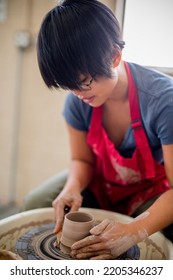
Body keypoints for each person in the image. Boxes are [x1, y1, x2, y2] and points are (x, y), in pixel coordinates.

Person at [23, 0, 173, 259]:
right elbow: (81, 159)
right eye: (67, 85)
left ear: (114, 56)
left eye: (83, 82)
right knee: (38, 203)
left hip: (151, 189)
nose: (77, 94)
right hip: (103, 180)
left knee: (160, 233)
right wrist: (72, 187)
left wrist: (132, 231)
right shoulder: (77, 101)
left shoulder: (163, 100)